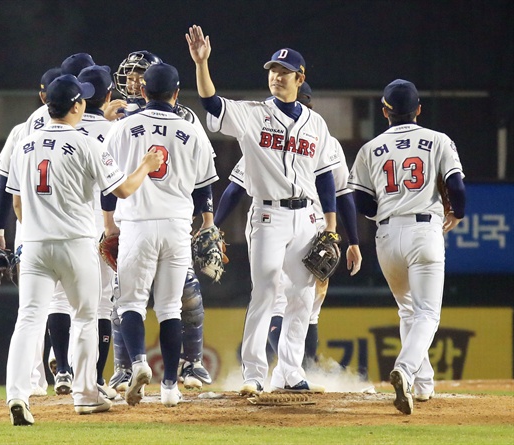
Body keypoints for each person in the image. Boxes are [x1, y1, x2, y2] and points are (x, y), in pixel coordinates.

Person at [186, 25, 340, 395]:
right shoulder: (253, 114)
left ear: (300, 78)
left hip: (306, 218)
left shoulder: (315, 123)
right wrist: (202, 64)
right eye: (272, 70)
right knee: (267, 289)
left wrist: (331, 228)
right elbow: (212, 103)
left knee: (303, 295)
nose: (276, 76)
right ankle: (254, 372)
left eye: (284, 72)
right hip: (268, 215)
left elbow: (325, 181)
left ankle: (289, 371)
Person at [4, 74, 163, 425]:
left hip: (33, 244)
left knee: (29, 320)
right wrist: (145, 167)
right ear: (77, 105)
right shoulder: (86, 143)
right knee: (87, 317)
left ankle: (16, 395)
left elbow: (16, 203)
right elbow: (121, 191)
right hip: (75, 245)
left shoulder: (25, 143)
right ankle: (86, 393)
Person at [214, 86, 362, 369]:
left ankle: (300, 367)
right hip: (282, 221)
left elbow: (339, 192)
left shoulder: (320, 139)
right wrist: (350, 239)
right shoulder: (271, 138)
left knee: (306, 302)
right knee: (284, 297)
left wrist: (214, 225)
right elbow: (344, 197)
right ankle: (287, 367)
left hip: (312, 228)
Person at [348, 79, 466, 415]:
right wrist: (457, 213)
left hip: (386, 235)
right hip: (424, 232)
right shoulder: (438, 141)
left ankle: (423, 385)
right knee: (427, 314)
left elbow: (362, 203)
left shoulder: (370, 148)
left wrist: (385, 209)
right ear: (418, 109)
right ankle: (405, 368)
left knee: (408, 310)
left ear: (384, 111)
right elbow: (457, 190)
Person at [104, 63, 218, 407]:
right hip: (176, 227)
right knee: (170, 308)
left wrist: (109, 225)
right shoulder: (192, 130)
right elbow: (204, 188)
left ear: (141, 92)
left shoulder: (122, 128)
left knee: (131, 304)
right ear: (177, 93)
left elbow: (107, 188)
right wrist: (208, 223)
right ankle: (170, 386)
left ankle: (137, 363)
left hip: (136, 224)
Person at [44, 64, 120, 401]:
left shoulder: (45, 127)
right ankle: (96, 380)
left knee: (59, 299)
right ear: (107, 95)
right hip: (96, 225)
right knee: (99, 306)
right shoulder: (114, 128)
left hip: (53, 226)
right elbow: (114, 187)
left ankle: (62, 367)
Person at [0, 66, 63, 398]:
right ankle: (74, 373)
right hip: (75, 233)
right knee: (85, 308)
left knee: (32, 310)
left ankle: (31, 384)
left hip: (30, 233)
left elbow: (6, 185)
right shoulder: (86, 131)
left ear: (44, 95)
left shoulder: (23, 132)